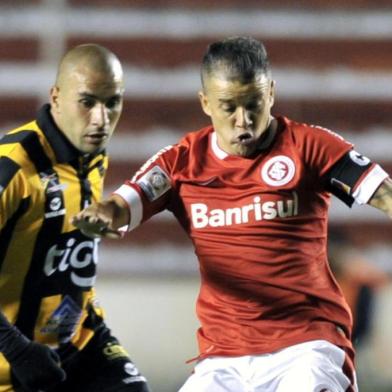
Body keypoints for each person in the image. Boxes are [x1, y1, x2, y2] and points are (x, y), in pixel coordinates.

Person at [72, 37, 392, 392]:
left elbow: (383, 193)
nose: (244, 121)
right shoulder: (181, 163)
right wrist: (101, 215)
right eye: (229, 107)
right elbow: (121, 205)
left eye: (253, 104)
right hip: (223, 358)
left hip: (307, 347)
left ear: (270, 92)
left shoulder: (310, 146)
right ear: (205, 103)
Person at [0, 44, 150, 391]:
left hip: (80, 341)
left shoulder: (91, 156)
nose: (101, 119)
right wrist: (17, 349)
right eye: (87, 102)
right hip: (16, 361)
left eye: (113, 102)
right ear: (56, 97)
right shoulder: (13, 168)